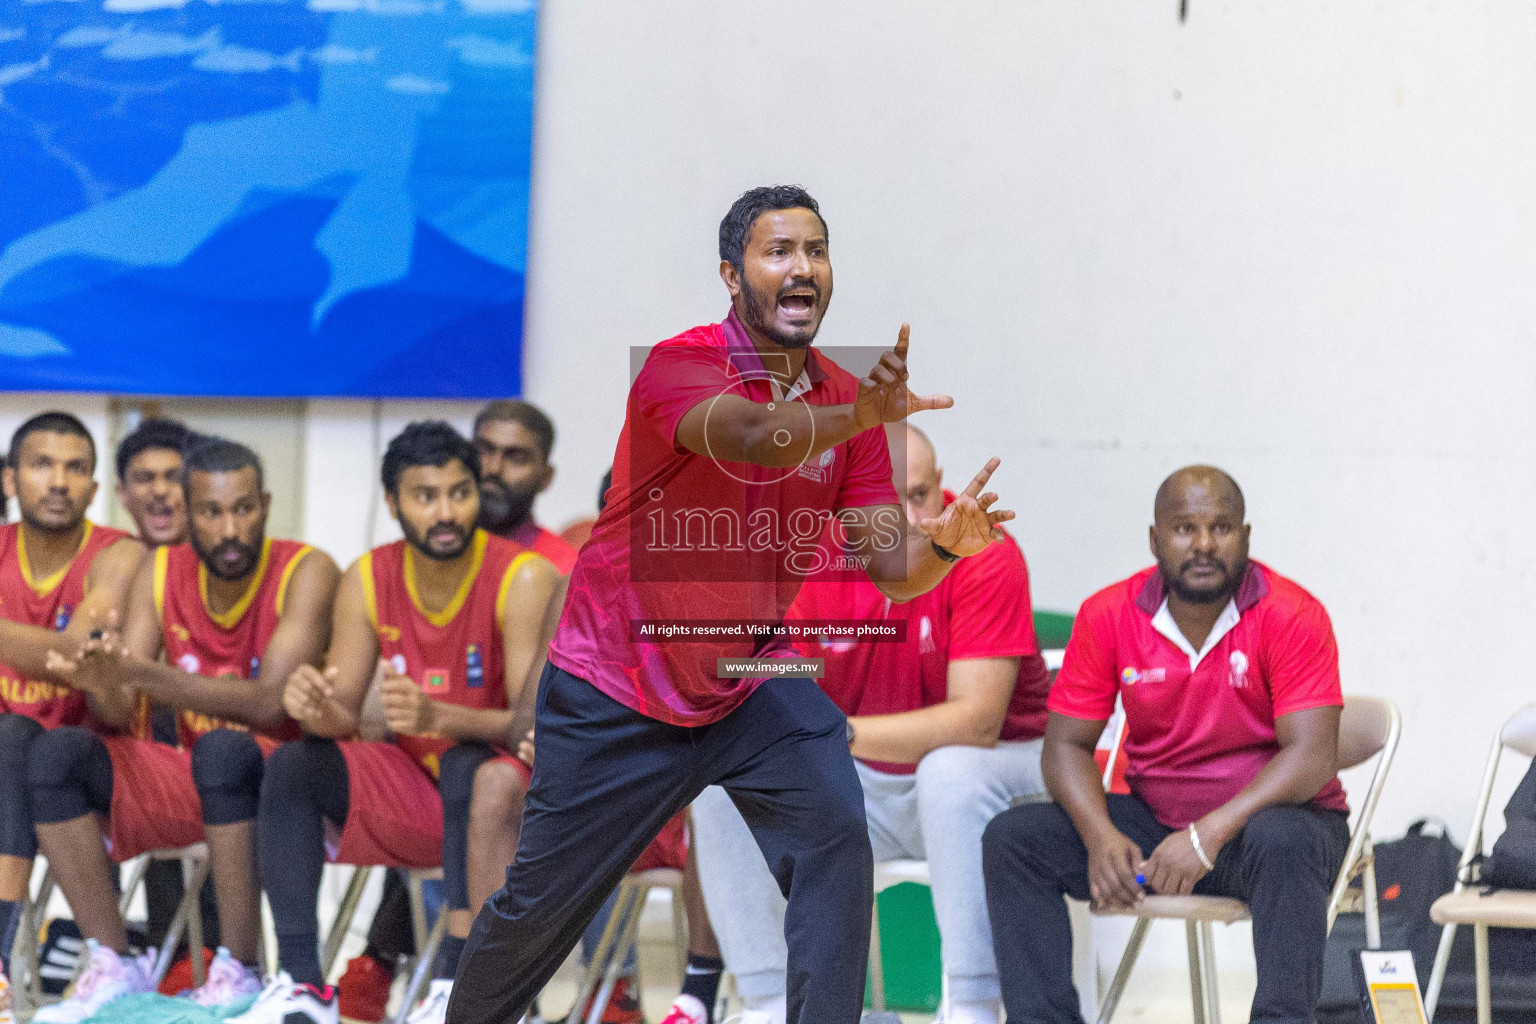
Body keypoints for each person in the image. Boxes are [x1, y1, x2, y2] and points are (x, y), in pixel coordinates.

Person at [446, 185, 1014, 1024]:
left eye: (816, 252)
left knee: (830, 831)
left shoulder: (848, 407)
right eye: (778, 251)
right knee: (539, 912)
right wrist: (854, 411)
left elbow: (890, 565)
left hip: (744, 682)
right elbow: (751, 435)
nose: (802, 268)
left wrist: (942, 547)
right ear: (731, 275)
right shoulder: (680, 367)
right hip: (619, 685)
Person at [690, 424, 1050, 1024]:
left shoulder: (985, 551)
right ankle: (771, 1000)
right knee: (725, 779)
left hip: (999, 781)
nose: (909, 518)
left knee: (951, 771)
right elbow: (766, 689)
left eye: (920, 495)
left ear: (943, 490)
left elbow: (979, 721)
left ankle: (972, 1002)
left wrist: (833, 735)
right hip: (868, 782)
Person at [982, 466, 1350, 1024]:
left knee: (1286, 839)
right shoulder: (1108, 614)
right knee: (1014, 840)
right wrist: (1100, 834)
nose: (1203, 544)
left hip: (1265, 833)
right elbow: (1064, 747)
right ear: (1155, 539)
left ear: (1246, 537)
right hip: (1157, 833)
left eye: (1221, 527)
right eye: (1184, 528)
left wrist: (1209, 835)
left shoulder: (1291, 614)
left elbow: (1312, 755)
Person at [246, 422, 559, 1024]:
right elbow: (344, 712)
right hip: (418, 789)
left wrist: (441, 715)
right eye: (426, 495)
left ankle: (456, 976)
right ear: (393, 503)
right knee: (292, 765)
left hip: (506, 797)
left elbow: (530, 730)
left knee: (473, 763)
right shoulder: (366, 577)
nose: (446, 512)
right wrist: (315, 707)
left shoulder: (522, 577)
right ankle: (302, 983)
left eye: (459, 492)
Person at [28, 437, 338, 1023]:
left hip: (282, 788)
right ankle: (114, 962)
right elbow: (121, 709)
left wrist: (142, 673)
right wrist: (100, 676)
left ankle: (240, 967)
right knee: (58, 754)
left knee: (223, 751)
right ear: (188, 514)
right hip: (193, 778)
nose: (229, 528)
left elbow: (272, 705)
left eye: (243, 509)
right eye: (212, 512)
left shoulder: (308, 569)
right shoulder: (159, 567)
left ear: (266, 505)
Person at [0, 413, 141, 996]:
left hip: (89, 763)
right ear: (10, 480)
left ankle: (2, 959)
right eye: (41, 465)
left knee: (17, 738)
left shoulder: (120, 555)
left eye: (74, 468)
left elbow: (74, 654)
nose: (58, 482)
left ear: (94, 488)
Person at [113, 417, 208, 953]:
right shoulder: (111, 566)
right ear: (124, 494)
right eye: (144, 478)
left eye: (174, 475)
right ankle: (108, 948)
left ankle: (214, 955)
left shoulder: (226, 567)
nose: (160, 490)